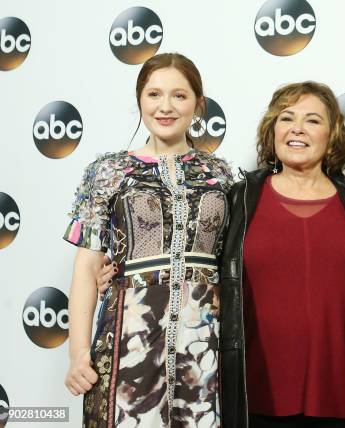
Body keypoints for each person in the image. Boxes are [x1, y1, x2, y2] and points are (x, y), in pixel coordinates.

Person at [63, 53, 233, 427]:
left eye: (179, 96)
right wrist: (78, 354)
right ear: (140, 99)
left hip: (206, 347)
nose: (166, 107)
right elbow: (87, 268)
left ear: (198, 105)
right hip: (128, 343)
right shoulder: (108, 172)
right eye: (154, 94)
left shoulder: (223, 176)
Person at [218, 81, 345, 428]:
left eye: (312, 120)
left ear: (332, 134)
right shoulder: (239, 200)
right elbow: (199, 271)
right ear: (272, 129)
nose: (297, 129)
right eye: (286, 118)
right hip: (254, 399)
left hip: (342, 400)